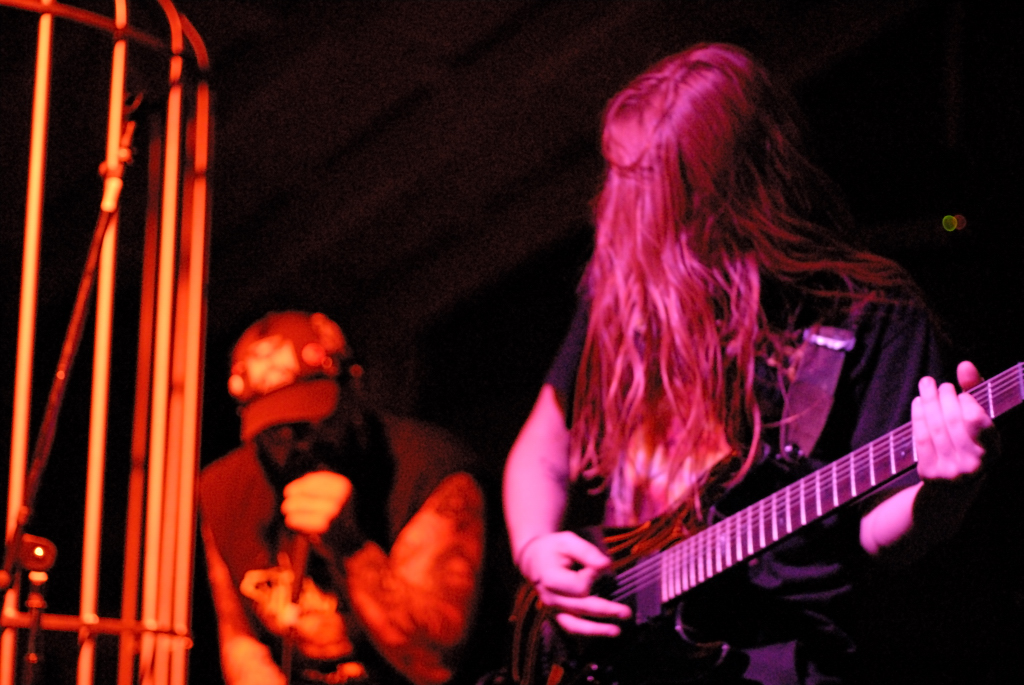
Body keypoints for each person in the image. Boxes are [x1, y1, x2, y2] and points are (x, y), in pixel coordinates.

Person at [502, 43, 994, 684]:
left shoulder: (870, 313)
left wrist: (946, 494)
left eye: (645, 181)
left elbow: (879, 535)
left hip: (774, 661)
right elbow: (541, 452)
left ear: (724, 190)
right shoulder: (623, 291)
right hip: (628, 655)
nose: (620, 203)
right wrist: (536, 548)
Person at [200, 311, 486, 685]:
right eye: (274, 429)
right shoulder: (222, 489)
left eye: (312, 419)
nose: (296, 443)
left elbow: (433, 665)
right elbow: (241, 642)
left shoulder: (430, 473)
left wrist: (351, 548)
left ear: (353, 391)